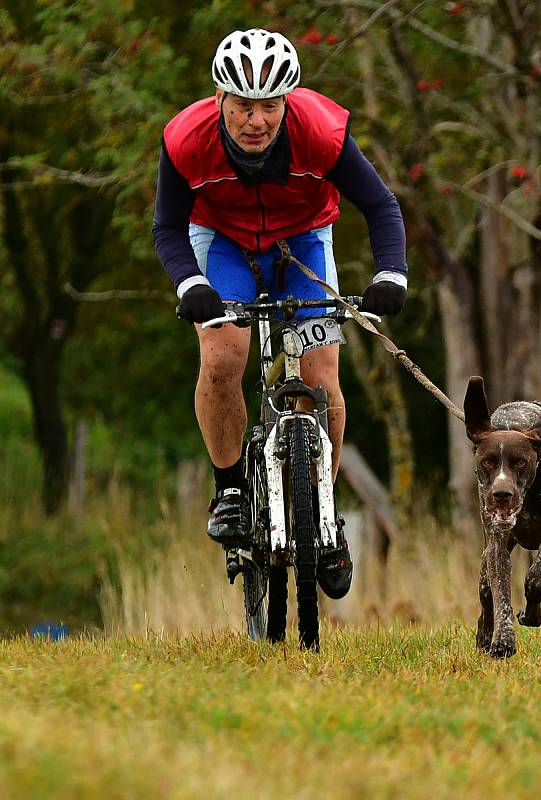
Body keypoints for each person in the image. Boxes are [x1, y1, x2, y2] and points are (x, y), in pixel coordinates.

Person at [152, 28, 407, 599]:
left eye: (269, 106)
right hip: (220, 242)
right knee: (223, 356)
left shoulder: (322, 131)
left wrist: (392, 274)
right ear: (220, 100)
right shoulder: (185, 140)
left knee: (321, 375)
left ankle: (324, 511)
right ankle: (230, 491)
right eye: (243, 106)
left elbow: (380, 205)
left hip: (304, 240)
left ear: (286, 102)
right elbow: (167, 227)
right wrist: (190, 283)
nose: (256, 121)